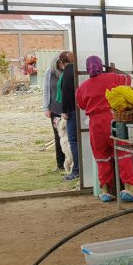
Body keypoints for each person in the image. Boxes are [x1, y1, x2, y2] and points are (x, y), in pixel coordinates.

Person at [76, 55, 133, 202]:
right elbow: (128, 81)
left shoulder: (82, 87)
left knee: (102, 156)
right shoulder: (112, 77)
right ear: (101, 66)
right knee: (123, 152)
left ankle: (105, 191)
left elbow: (81, 105)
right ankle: (129, 189)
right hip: (113, 119)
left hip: (95, 124)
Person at [43, 53, 66, 171]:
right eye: (59, 63)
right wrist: (46, 108)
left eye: (63, 62)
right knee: (58, 137)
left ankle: (71, 163)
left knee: (69, 137)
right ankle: (60, 164)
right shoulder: (49, 72)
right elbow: (46, 90)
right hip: (55, 110)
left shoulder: (68, 72)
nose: (61, 65)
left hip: (67, 110)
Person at [58, 51, 79, 181]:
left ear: (61, 63)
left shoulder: (67, 72)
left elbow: (66, 92)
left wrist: (64, 111)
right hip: (82, 109)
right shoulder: (78, 70)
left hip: (71, 109)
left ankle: (76, 170)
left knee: (73, 140)